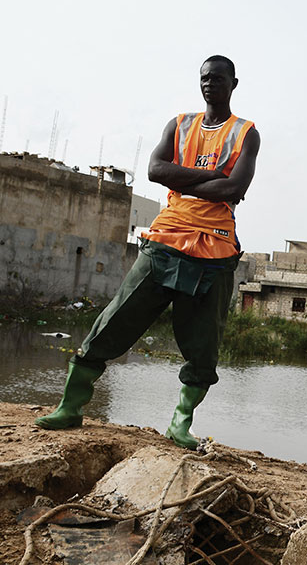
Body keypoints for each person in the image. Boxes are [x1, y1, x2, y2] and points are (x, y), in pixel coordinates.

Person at [35, 55, 261, 449]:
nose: (210, 84)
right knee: (114, 320)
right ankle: (70, 408)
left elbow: (233, 190)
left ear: (234, 83)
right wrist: (214, 178)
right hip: (166, 239)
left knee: (204, 344)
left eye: (219, 78)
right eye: (205, 78)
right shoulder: (180, 124)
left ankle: (180, 425)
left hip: (215, 249)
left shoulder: (246, 134)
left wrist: (190, 179)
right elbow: (156, 171)